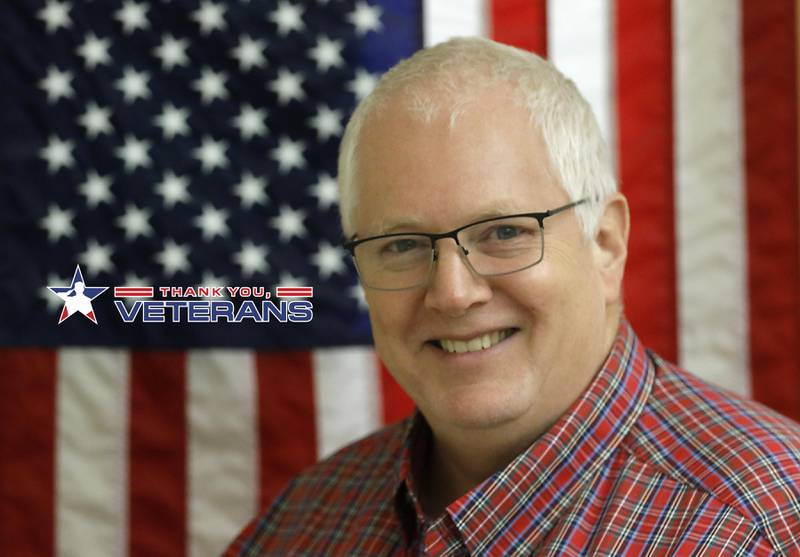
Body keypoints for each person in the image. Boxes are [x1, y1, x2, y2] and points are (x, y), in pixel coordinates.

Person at [226, 37, 800, 556]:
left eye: (504, 233)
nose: (452, 294)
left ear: (605, 243)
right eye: (401, 245)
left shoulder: (765, 527)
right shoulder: (303, 523)